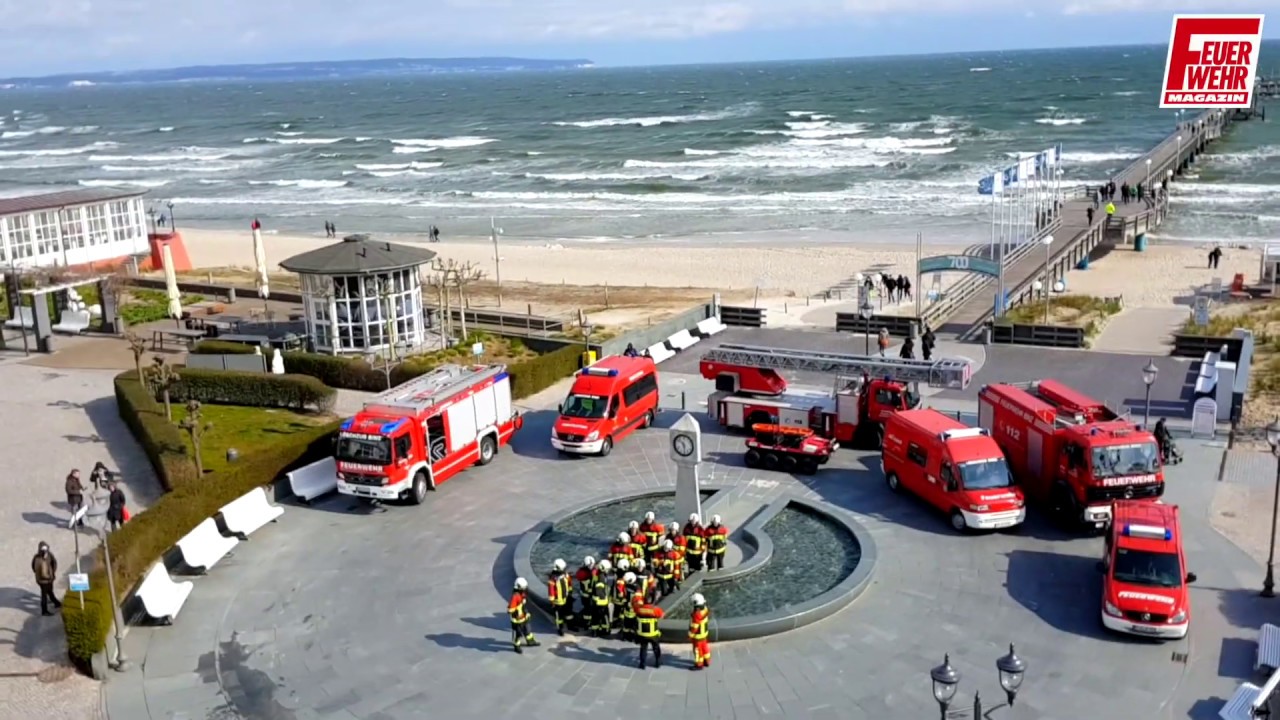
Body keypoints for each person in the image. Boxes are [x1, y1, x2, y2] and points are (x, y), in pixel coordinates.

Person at [634, 593, 665, 669]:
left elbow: (635, 611)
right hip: (653, 633)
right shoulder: (655, 609)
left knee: (643, 648)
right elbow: (662, 615)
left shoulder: (639, 608)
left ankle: (642, 664)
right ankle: (657, 663)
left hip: (642, 633)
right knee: (656, 648)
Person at [507, 578, 539, 653]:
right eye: (523, 588)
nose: (525, 589)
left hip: (524, 617)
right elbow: (510, 610)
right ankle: (516, 645)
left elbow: (523, 606)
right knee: (518, 634)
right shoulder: (515, 597)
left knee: (528, 630)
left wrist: (526, 613)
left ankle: (530, 641)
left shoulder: (522, 595)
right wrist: (517, 614)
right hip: (517, 620)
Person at [32, 542, 60, 616]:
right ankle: (44, 611)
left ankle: (56, 602)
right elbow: (34, 567)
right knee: (44, 594)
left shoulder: (48, 555)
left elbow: (54, 563)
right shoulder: (38, 558)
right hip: (44, 580)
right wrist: (49, 575)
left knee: (50, 591)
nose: (45, 552)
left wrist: (52, 572)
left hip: (47, 579)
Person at [548, 559, 572, 636]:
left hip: (566, 598)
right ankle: (560, 629)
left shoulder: (565, 575)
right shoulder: (553, 579)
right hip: (557, 602)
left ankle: (570, 626)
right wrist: (552, 602)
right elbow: (551, 591)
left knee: (568, 614)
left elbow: (569, 583)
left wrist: (570, 593)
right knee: (559, 617)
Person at [590, 560, 612, 637]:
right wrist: (604, 597)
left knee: (595, 617)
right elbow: (599, 590)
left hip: (594, 600)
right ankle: (605, 631)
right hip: (601, 602)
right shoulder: (601, 577)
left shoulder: (596, 574)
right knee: (605, 616)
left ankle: (594, 631)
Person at [689, 593, 712, 670]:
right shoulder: (705, 609)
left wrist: (690, 635)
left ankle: (699, 664)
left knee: (697, 650)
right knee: (705, 647)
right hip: (704, 634)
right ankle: (707, 661)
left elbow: (694, 627)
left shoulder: (697, 614)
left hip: (698, 636)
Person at [574, 556, 597, 630]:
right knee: (589, 610)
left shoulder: (581, 572)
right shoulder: (590, 573)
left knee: (587, 609)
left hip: (584, 595)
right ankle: (588, 623)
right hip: (589, 595)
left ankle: (586, 624)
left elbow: (578, 576)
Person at [611, 563, 632, 636]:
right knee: (621, 613)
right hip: (620, 600)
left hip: (617, 600)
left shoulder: (617, 576)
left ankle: (615, 624)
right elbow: (620, 591)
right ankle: (619, 624)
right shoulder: (621, 580)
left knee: (616, 613)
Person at [620, 571, 639, 641]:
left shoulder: (626, 587)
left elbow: (624, 596)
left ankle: (625, 636)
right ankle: (632, 637)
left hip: (627, 609)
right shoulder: (636, 588)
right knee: (633, 625)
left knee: (626, 624)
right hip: (633, 610)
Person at [667, 522, 687, 589]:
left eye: (673, 530)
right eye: (671, 530)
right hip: (670, 558)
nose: (672, 531)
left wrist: (675, 553)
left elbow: (682, 549)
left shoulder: (681, 538)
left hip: (679, 558)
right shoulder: (668, 537)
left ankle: (681, 582)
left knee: (680, 571)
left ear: (677, 530)